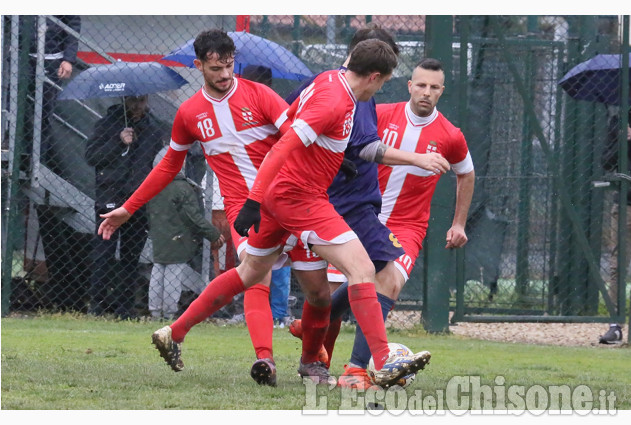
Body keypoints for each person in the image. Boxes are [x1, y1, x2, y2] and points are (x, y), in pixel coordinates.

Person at [135, 38, 431, 389]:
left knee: (249, 272)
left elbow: (290, 123)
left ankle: (175, 332)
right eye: (382, 83)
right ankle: (382, 362)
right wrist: (252, 201)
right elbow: (284, 146)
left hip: (284, 193)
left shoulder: (329, 80)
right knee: (363, 269)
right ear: (374, 77)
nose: (380, 89)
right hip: (298, 197)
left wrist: (330, 160)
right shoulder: (335, 101)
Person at [95, 29, 292, 383]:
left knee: (324, 284)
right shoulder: (190, 113)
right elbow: (169, 166)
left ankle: (313, 354)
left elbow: (297, 138)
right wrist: (128, 207)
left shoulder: (261, 95)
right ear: (199, 65)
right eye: (216, 68)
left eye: (230, 65)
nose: (224, 74)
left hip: (291, 199)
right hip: (244, 210)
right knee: (255, 275)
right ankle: (267, 360)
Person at [292, 57, 475, 388]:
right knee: (339, 288)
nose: (426, 92)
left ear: (442, 92)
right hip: (364, 215)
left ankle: (356, 369)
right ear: (409, 86)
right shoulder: (381, 112)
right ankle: (318, 360)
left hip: (407, 226)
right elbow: (352, 144)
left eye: (434, 87)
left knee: (386, 281)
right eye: (420, 85)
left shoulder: (450, 135)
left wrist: (459, 223)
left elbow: (466, 173)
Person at [85, 94, 166, 319]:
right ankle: (97, 306)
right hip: (110, 194)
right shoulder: (107, 123)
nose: (138, 106)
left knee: (131, 255)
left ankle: (125, 308)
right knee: (104, 252)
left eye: (141, 101)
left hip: (138, 198)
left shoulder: (153, 129)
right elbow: (92, 156)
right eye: (133, 101)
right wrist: (118, 141)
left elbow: (158, 163)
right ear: (124, 100)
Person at [147, 146, 225, 320]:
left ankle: (154, 310)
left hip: (159, 235)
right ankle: (169, 311)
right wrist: (212, 233)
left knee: (158, 269)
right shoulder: (182, 188)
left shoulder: (153, 187)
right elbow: (193, 216)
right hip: (179, 238)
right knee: (173, 274)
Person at [25, 15, 81, 173]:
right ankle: (10, 143)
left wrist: (69, 59)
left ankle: (38, 161)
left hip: (52, 61)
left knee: (44, 112)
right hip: (22, 57)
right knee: (15, 105)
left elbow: (73, 25)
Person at [599, 106, 631, 344]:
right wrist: (625, 141)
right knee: (618, 263)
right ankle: (616, 324)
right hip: (627, 202)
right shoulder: (620, 122)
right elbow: (606, 162)